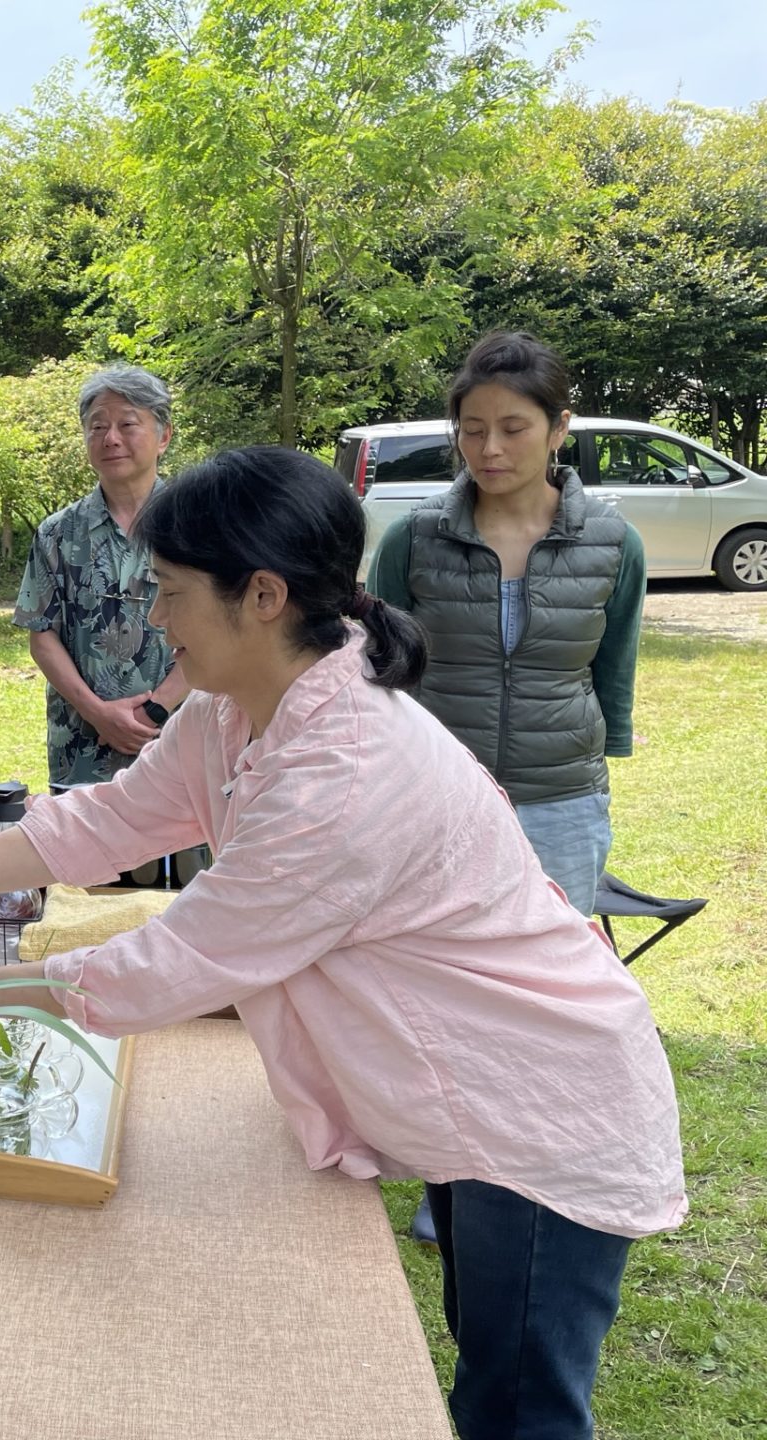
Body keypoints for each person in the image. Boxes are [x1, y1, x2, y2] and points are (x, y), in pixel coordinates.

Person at [0, 447, 684, 1440]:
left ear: (264, 595)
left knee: (516, 1409)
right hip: (482, 1091)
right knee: (487, 1365)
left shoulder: (344, 768)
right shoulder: (235, 704)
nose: (156, 619)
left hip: (541, 1103)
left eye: (170, 591)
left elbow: (174, 964)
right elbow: (109, 821)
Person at [367, 332, 646, 1248]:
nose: (490, 449)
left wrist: (598, 763)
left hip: (561, 795)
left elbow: (612, 669)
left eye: (514, 429)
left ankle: (537, 1169)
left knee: (543, 994)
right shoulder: (416, 538)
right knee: (441, 987)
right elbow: (379, 669)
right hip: (439, 798)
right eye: (473, 429)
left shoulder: (613, 541)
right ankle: (446, 1179)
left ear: (559, 428)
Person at [14, 365, 203, 885]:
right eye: (97, 426)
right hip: (82, 747)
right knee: (88, 892)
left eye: (127, 423)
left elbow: (222, 625)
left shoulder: (201, 526)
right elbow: (41, 631)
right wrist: (98, 712)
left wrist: (159, 706)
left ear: (163, 434)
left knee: (188, 889)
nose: (110, 438)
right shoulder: (58, 532)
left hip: (186, 739)